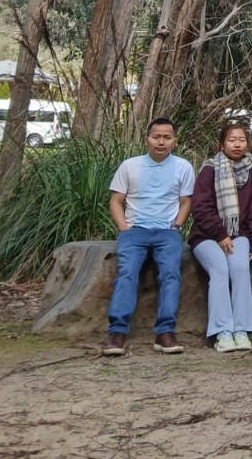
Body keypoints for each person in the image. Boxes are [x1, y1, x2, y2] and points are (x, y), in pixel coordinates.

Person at [102, 118, 196, 356]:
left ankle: (165, 331)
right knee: (127, 271)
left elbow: (186, 201)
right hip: (135, 231)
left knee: (171, 273)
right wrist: (124, 226)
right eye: (156, 136)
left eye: (167, 137)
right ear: (147, 139)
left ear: (174, 140)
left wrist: (177, 226)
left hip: (167, 231)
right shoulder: (130, 165)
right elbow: (116, 200)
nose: (161, 142)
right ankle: (118, 332)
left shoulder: (183, 166)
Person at [188, 121, 252, 353]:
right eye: (232, 140)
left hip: (239, 235)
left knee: (239, 268)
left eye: (241, 140)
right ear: (222, 144)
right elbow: (200, 207)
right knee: (219, 269)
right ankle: (222, 331)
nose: (237, 144)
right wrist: (220, 233)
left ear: (248, 144)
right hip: (207, 236)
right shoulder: (210, 170)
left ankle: (241, 329)